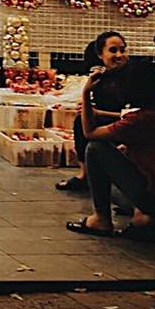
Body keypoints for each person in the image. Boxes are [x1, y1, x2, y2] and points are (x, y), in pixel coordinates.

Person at [67, 59, 155, 239]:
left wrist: (86, 94)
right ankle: (144, 215)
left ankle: (101, 219)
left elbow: (90, 133)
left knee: (96, 149)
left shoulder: (140, 120)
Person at [58, 31, 131, 193]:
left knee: (90, 128)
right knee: (80, 120)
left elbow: (136, 114)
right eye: (113, 50)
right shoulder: (100, 77)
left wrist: (98, 113)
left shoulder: (133, 77)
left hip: (128, 124)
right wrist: (86, 106)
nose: (119, 55)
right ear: (100, 54)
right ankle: (85, 175)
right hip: (107, 120)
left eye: (123, 50)